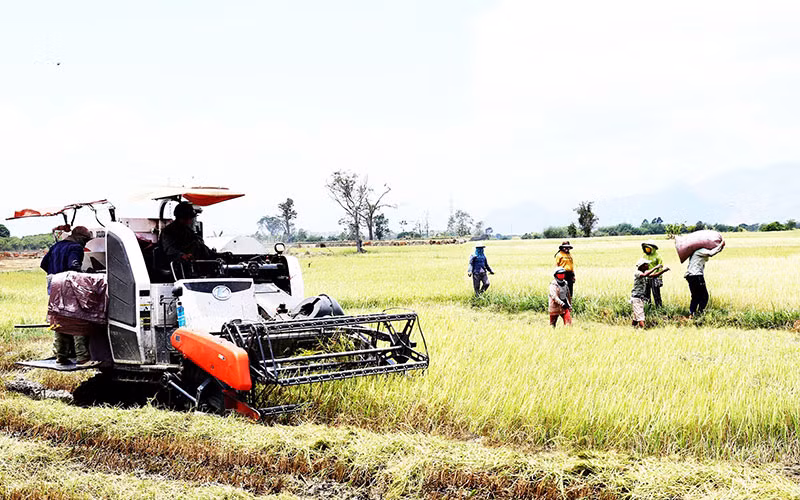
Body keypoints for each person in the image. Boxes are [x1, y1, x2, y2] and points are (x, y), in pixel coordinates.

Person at [40, 226, 93, 365]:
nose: (85, 244)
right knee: (77, 318)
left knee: (60, 318)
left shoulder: (56, 246)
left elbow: (43, 264)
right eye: (86, 240)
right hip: (68, 284)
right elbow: (73, 266)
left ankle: (61, 355)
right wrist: (86, 275)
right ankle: (82, 357)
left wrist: (55, 273)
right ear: (80, 237)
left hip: (54, 284)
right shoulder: (76, 247)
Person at [685, 240, 725, 318]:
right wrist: (721, 245)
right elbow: (711, 253)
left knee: (695, 296)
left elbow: (710, 254)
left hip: (690, 276)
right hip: (696, 275)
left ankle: (692, 313)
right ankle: (700, 313)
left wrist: (720, 248)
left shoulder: (694, 252)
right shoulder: (700, 250)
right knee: (704, 296)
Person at [631, 258, 670, 328]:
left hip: (640, 298)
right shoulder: (638, 273)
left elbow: (655, 275)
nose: (648, 265)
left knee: (636, 317)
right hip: (636, 299)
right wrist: (655, 267)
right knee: (640, 317)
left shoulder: (644, 272)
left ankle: (632, 329)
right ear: (642, 266)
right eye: (646, 264)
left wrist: (664, 270)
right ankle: (643, 331)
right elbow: (644, 275)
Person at [641, 241, 664, 308]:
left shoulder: (658, 256)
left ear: (653, 248)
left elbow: (660, 268)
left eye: (648, 248)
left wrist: (660, 279)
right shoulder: (644, 256)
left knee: (656, 294)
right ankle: (648, 308)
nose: (647, 250)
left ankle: (659, 308)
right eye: (646, 248)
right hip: (646, 277)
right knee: (646, 294)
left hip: (655, 278)